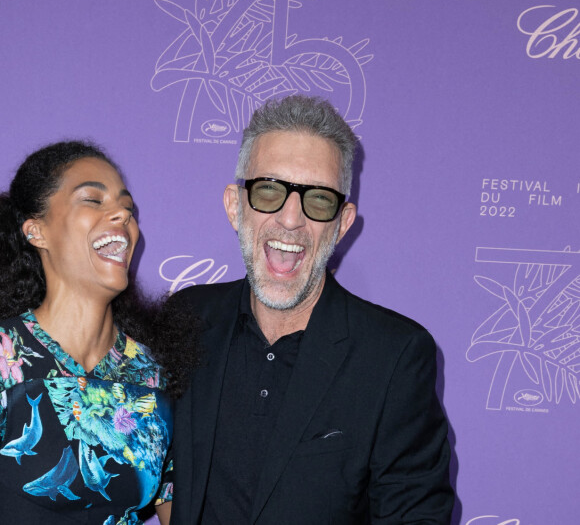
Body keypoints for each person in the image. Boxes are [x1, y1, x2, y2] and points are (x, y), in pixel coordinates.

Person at [169, 95, 454, 524]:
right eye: (268, 190)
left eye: (318, 200)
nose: (290, 219)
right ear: (235, 205)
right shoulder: (185, 320)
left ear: (342, 222)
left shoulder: (394, 357)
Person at [0, 141, 197, 525]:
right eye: (93, 199)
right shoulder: (6, 356)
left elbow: (178, 511)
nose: (122, 214)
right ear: (36, 231)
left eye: (128, 207)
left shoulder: (154, 374)